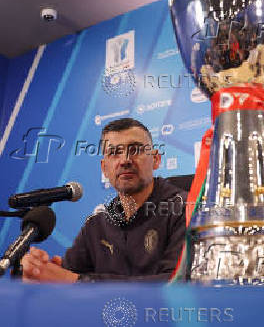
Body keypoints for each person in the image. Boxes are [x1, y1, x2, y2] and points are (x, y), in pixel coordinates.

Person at [21, 118, 187, 283]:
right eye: (114, 153)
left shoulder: (185, 209)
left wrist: (78, 281)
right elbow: (68, 278)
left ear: (156, 160)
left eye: (135, 150)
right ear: (104, 168)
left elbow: (178, 283)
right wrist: (43, 272)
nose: (125, 160)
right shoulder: (96, 226)